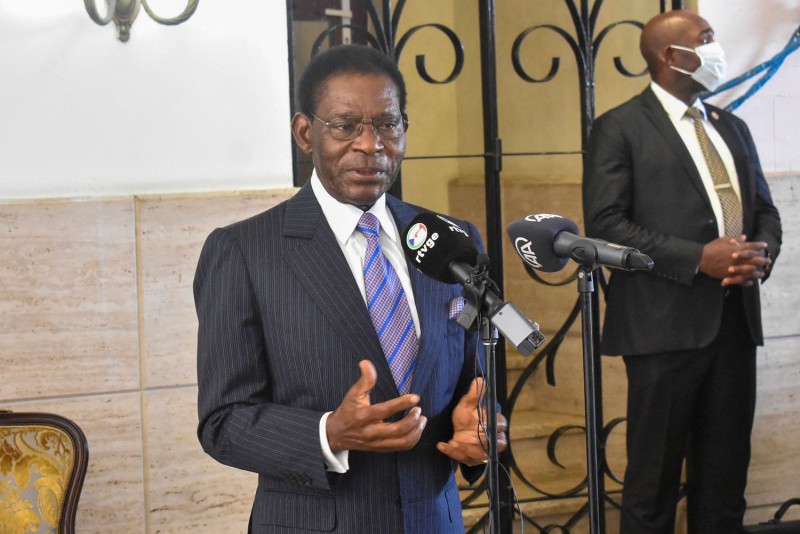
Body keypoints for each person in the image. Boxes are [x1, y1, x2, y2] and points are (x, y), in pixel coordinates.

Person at [194, 44, 507, 533]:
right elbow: (223, 422)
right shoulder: (243, 252)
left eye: (388, 124)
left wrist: (479, 427)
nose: (371, 145)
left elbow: (472, 384)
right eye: (346, 126)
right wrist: (328, 433)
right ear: (305, 132)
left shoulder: (451, 240)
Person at [582, 10, 782, 534]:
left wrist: (759, 253)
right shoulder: (619, 127)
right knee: (653, 487)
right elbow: (606, 224)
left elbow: (764, 208)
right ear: (671, 56)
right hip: (662, 330)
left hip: (735, 323)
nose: (716, 48)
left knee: (724, 484)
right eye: (707, 39)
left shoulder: (730, 126)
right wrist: (698, 257)